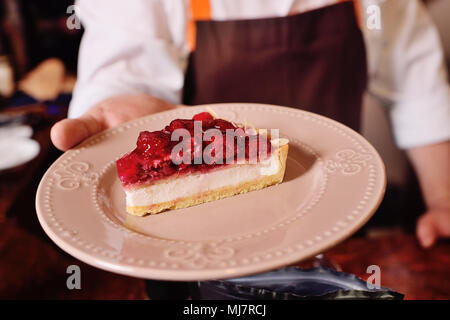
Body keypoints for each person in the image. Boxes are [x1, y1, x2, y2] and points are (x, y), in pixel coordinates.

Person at [51, 0, 450, 248]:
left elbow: (418, 87)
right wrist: (119, 116)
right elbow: (122, 72)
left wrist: (443, 200)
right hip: (185, 249)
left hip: (336, 234)